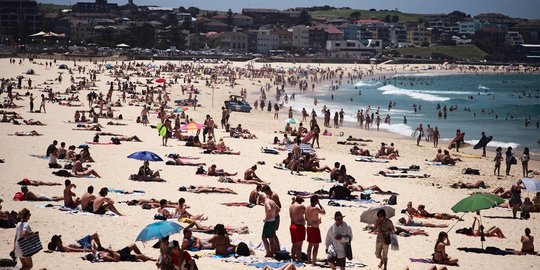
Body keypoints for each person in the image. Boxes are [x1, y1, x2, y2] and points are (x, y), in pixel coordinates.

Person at [305, 195, 325, 266]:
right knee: (316, 246)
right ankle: (313, 262)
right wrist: (319, 204)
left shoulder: (307, 208)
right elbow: (323, 212)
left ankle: (308, 260)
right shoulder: (316, 208)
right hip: (315, 228)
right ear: (316, 201)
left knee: (310, 245)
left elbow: (306, 219)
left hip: (308, 227)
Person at [260, 193, 280, 257]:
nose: (262, 203)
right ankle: (272, 252)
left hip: (269, 221)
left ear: (262, 198)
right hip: (273, 220)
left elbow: (269, 209)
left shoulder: (266, 202)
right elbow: (278, 209)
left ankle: (269, 253)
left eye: (261, 201)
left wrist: (266, 218)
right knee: (271, 238)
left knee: (264, 238)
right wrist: (274, 215)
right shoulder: (272, 201)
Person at [89, 243, 155, 262]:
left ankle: (142, 256)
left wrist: (92, 247)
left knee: (133, 245)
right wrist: (110, 250)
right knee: (140, 256)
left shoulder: (99, 253)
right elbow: (116, 259)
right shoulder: (104, 257)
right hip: (122, 257)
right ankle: (152, 260)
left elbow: (93, 241)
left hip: (119, 252)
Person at [289, 196, 306, 262]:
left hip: (292, 226)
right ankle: (298, 259)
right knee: (299, 245)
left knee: (294, 244)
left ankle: (293, 259)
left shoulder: (291, 206)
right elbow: (306, 213)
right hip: (299, 226)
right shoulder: (301, 206)